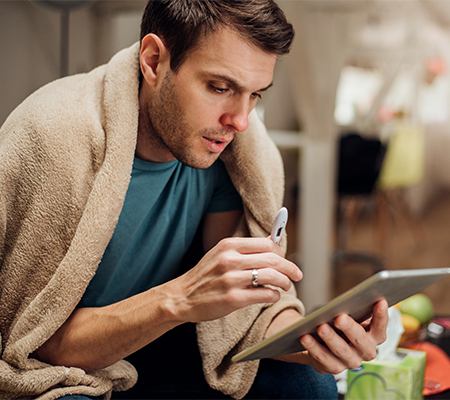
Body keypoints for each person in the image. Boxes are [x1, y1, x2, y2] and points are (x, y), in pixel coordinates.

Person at [0, 1, 388, 399]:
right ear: (153, 61)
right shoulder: (54, 138)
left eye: (255, 94)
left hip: (164, 346)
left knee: (309, 386)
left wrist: (315, 340)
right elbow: (31, 343)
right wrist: (180, 298)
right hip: (67, 360)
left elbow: (237, 310)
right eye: (220, 88)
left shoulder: (237, 156)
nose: (239, 120)